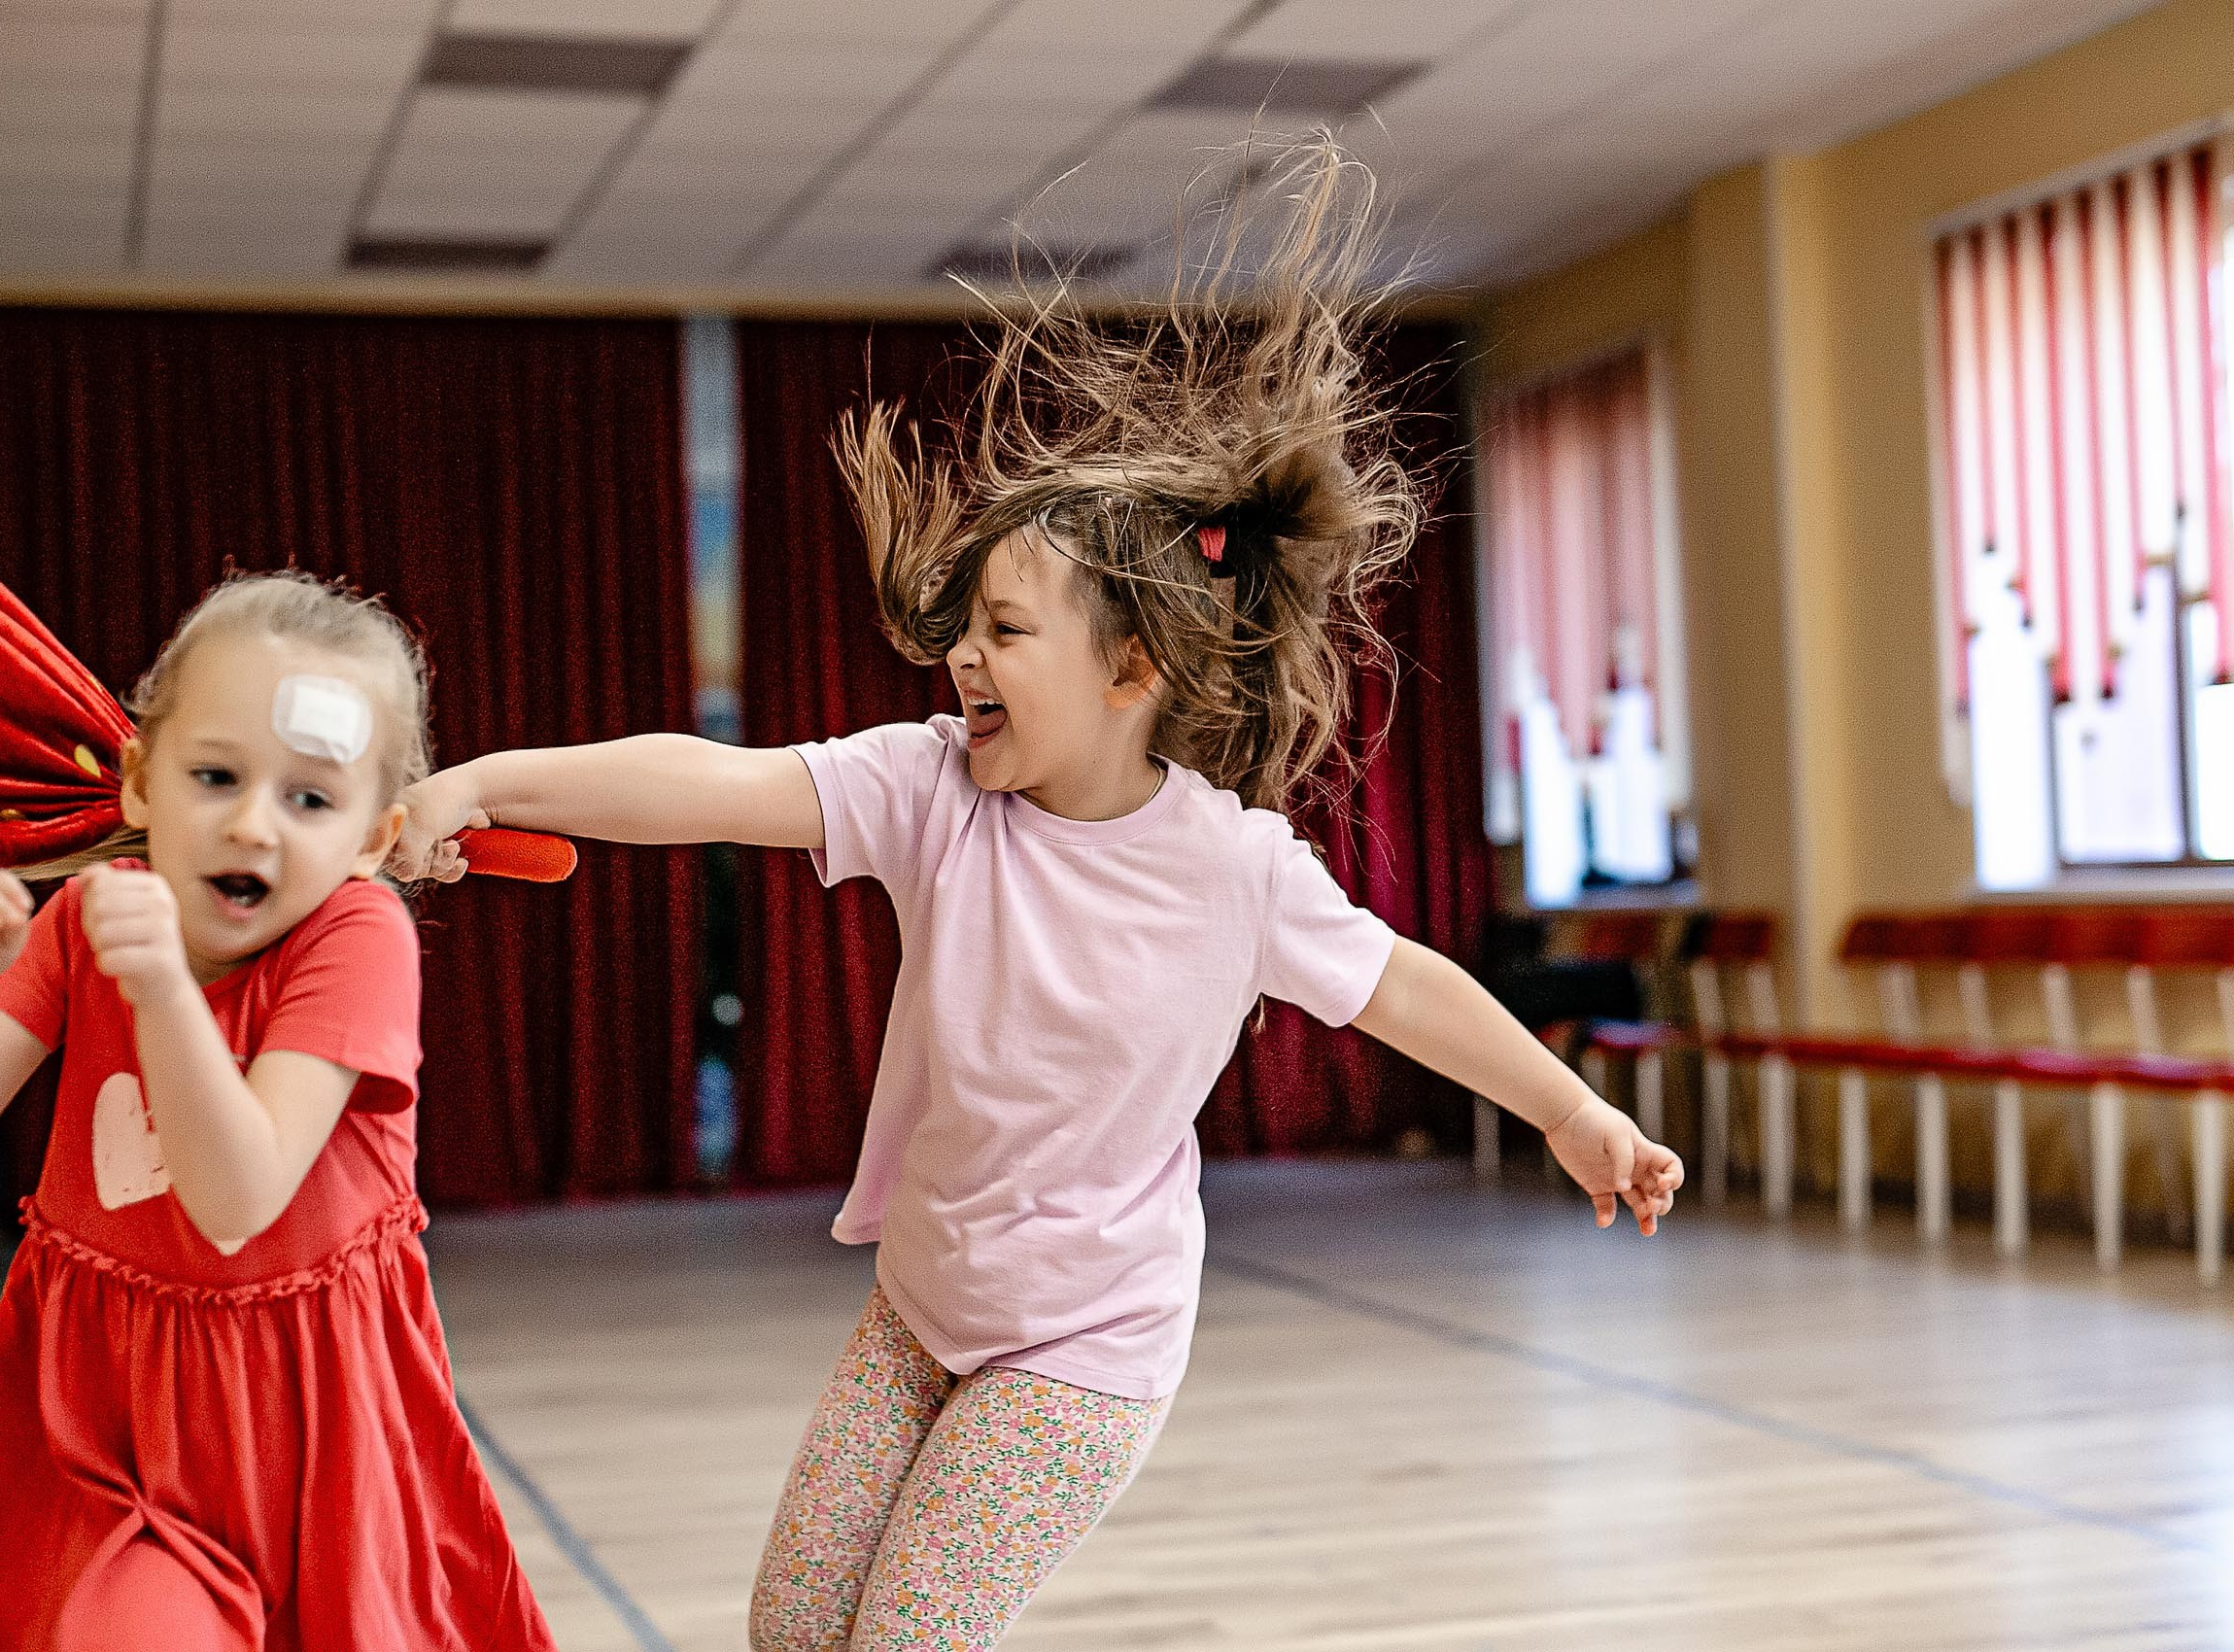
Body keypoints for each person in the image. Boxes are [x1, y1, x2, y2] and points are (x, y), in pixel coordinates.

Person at [393, 136, 1685, 1650]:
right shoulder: (933, 786)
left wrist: (1568, 1111)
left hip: (1085, 1344)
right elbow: (714, 785)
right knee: (792, 1631)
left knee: (899, 1644)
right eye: (967, 626)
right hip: (924, 1307)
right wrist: (482, 783)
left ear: (1131, 671)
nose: (961, 657)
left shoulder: (1230, 868)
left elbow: (1404, 984)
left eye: (1005, 630)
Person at [0, 570, 554, 1650]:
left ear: (368, 834)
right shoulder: (82, 925)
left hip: (314, 1423)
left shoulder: (357, 938)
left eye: (309, 798)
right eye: (215, 775)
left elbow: (238, 1194)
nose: (253, 823)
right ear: (144, 782)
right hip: (112, 1437)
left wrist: (157, 989)